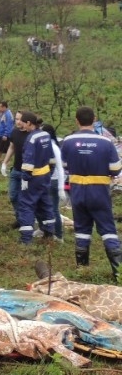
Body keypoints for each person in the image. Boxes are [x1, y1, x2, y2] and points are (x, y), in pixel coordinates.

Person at [59, 106, 122, 279]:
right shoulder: (106, 142)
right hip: (99, 191)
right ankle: (118, 272)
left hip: (77, 192)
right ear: (94, 119)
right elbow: (116, 169)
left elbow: (64, 166)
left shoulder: (68, 141)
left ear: (77, 120)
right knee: (108, 230)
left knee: (82, 229)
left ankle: (82, 269)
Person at [17, 111, 56, 245]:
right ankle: (49, 232)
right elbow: (51, 158)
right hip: (45, 175)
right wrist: (50, 172)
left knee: (26, 205)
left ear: (28, 123)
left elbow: (28, 161)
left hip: (33, 177)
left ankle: (26, 239)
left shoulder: (31, 139)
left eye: (22, 122)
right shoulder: (45, 134)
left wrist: (25, 179)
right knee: (45, 203)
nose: (20, 124)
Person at [0, 110, 28, 229]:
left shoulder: (31, 134)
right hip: (16, 170)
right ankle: (20, 218)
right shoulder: (14, 132)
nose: (17, 121)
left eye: (20, 119)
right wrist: (4, 163)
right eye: (16, 119)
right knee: (13, 196)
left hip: (27, 172)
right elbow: (12, 147)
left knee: (24, 198)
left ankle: (26, 221)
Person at [42, 123, 66, 243]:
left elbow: (60, 168)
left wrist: (61, 187)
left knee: (53, 209)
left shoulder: (53, 147)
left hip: (54, 181)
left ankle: (59, 235)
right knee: (44, 207)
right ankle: (45, 230)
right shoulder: (44, 145)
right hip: (44, 180)